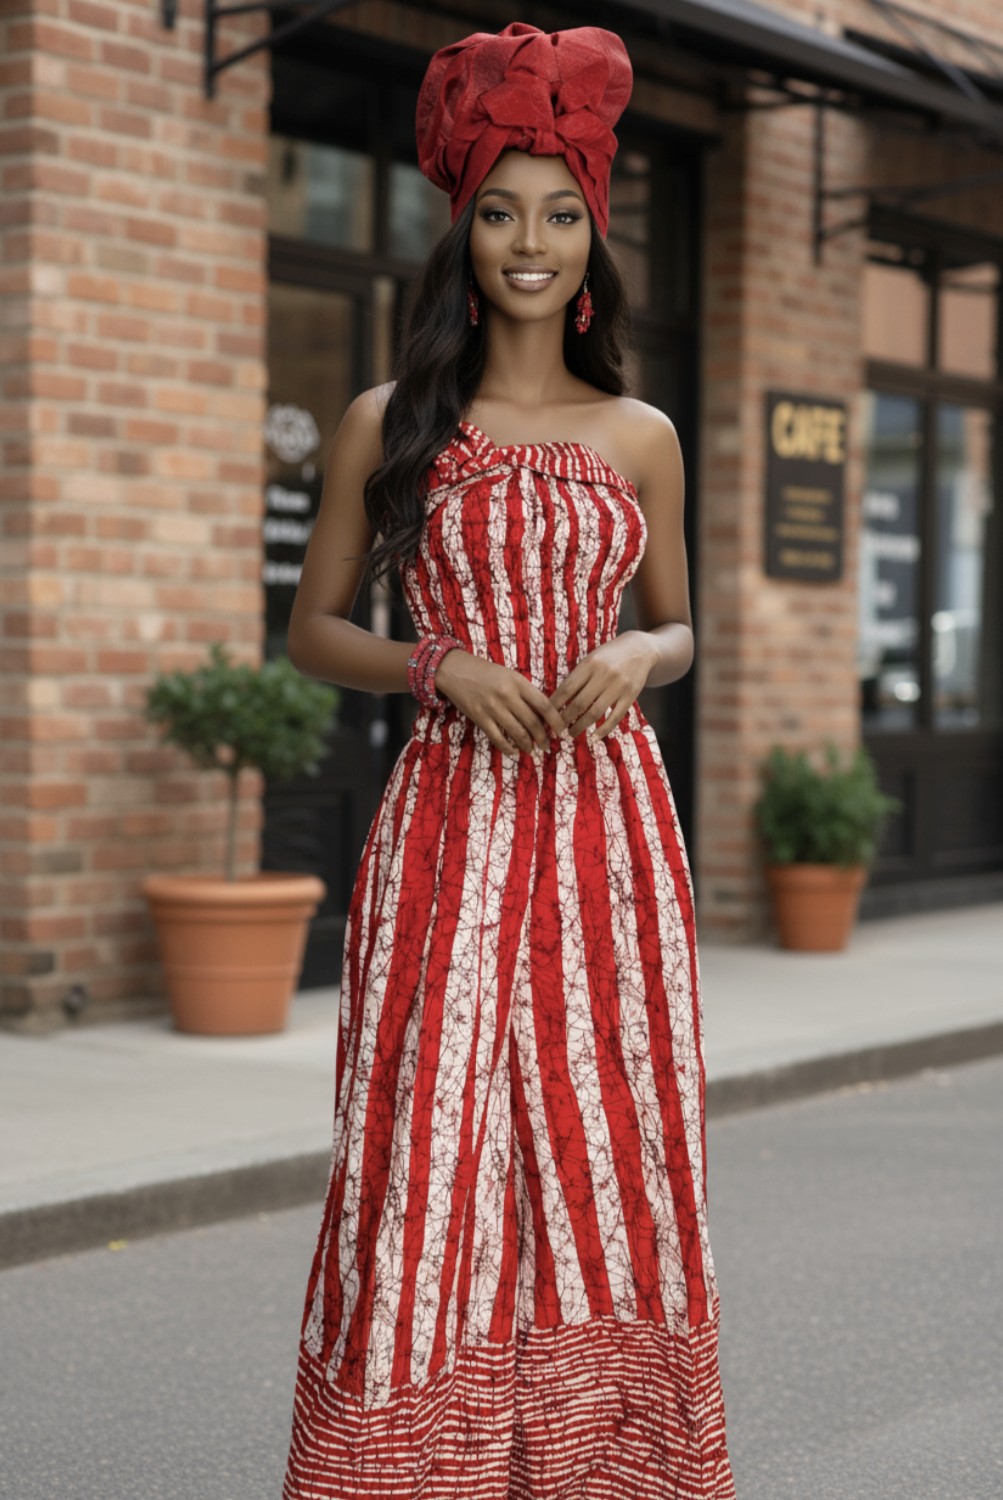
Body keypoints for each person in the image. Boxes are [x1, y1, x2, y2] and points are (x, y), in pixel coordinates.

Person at [280, 21, 737, 1499]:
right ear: (460, 229)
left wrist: (636, 657)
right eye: (497, 211)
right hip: (447, 829)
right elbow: (311, 633)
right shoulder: (391, 422)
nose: (526, 244)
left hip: (608, 835)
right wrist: (440, 664)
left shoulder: (645, 434)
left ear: (592, 233)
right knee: (426, 1149)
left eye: (556, 213)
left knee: (610, 1140)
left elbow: (682, 631)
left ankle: (604, 1467)